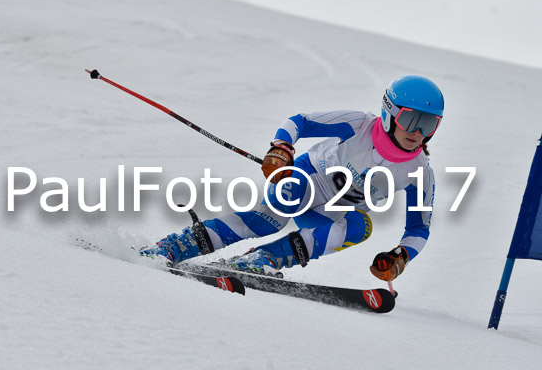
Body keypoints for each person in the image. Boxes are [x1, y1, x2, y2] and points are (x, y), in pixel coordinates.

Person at [140, 75, 443, 282]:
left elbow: (419, 228)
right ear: (390, 113)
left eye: (429, 123)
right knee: (270, 215)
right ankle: (176, 247)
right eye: (411, 119)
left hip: (332, 209)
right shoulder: (359, 125)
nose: (418, 132)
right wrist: (281, 148)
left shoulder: (419, 172)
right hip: (308, 179)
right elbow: (300, 122)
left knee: (359, 226)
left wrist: (400, 257)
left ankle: (261, 260)